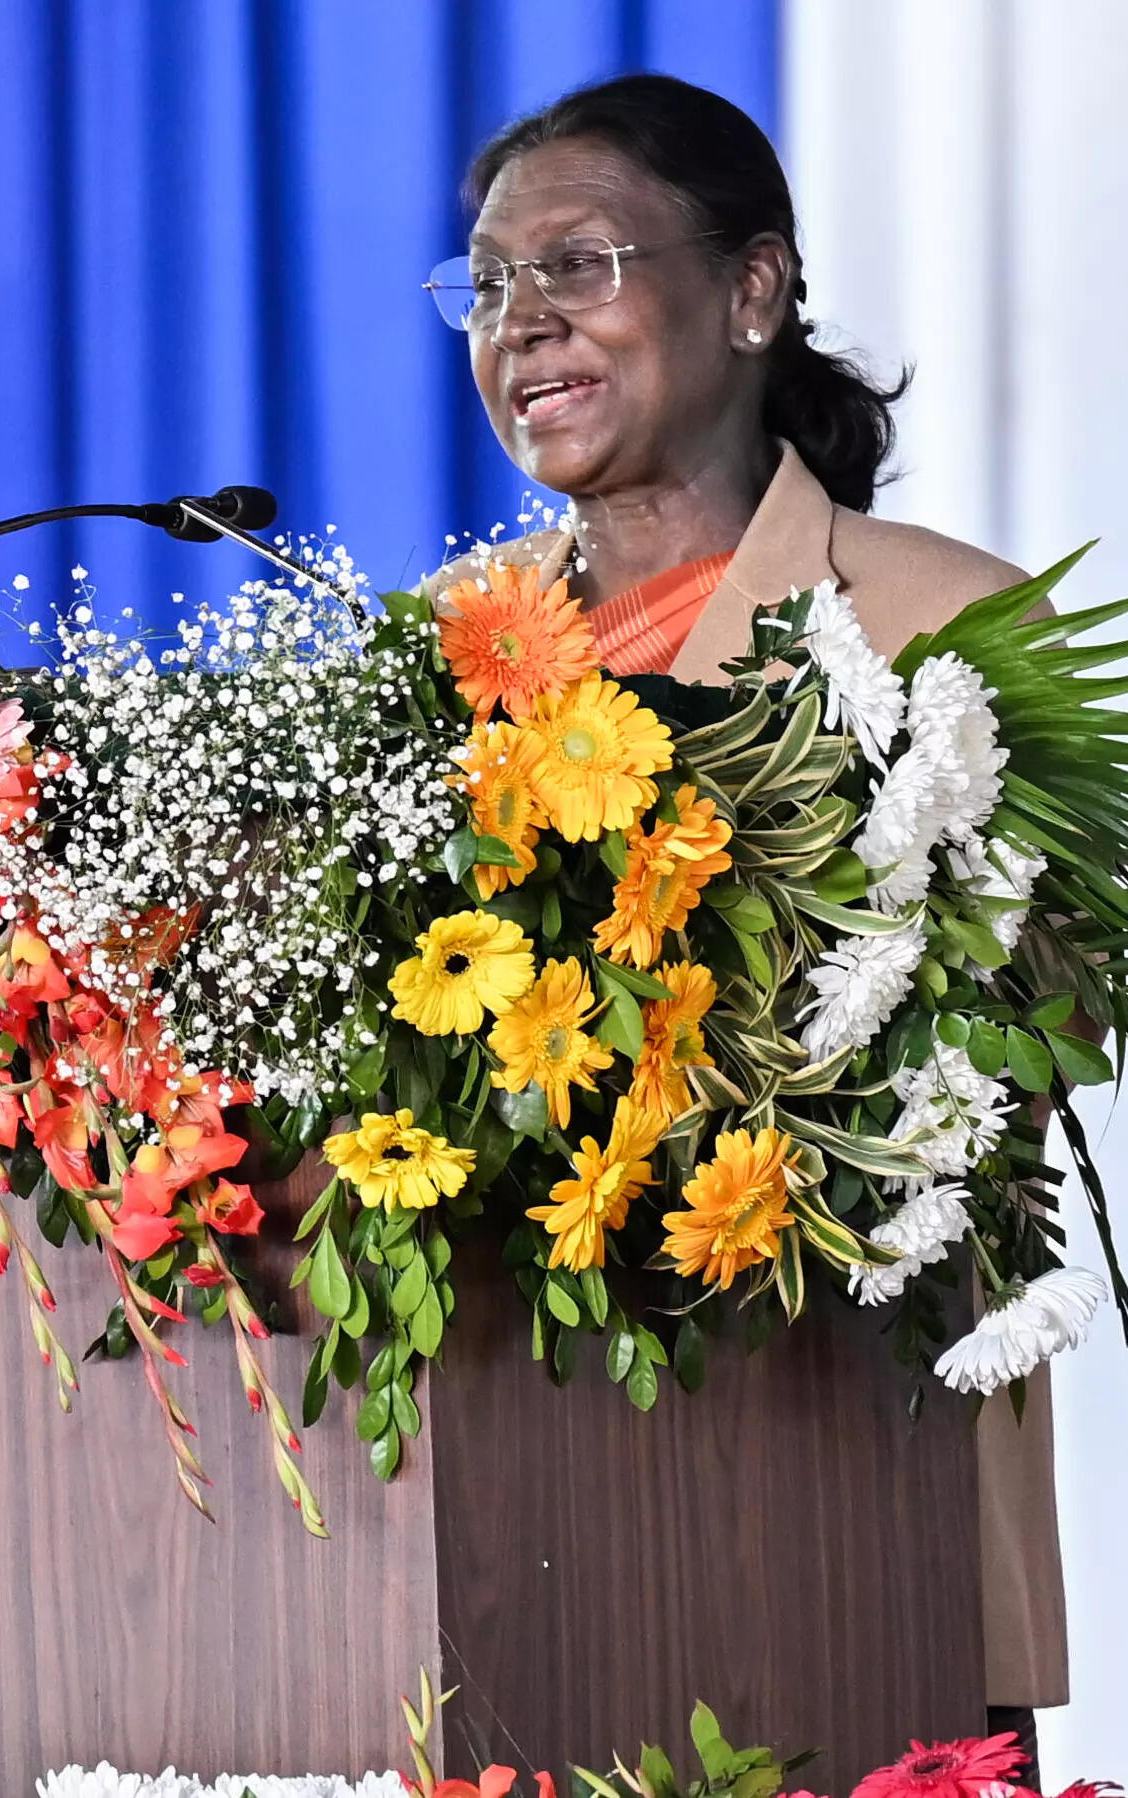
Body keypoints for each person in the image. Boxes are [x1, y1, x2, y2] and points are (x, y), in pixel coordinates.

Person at [421, 72, 1063, 1765]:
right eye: (488, 285)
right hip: (509, 1509)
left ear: (754, 291)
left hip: (863, 1480)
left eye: (578, 265)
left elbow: (1050, 1020)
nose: (521, 323)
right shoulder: (440, 662)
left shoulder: (950, 629)